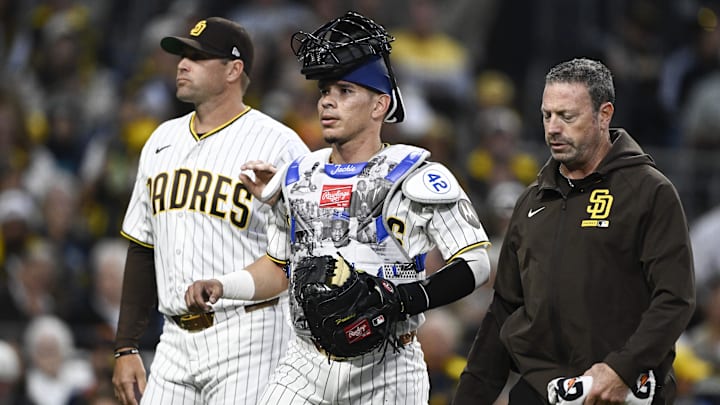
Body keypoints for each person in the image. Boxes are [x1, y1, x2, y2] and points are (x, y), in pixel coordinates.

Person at [185, 11, 492, 404]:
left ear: (380, 105)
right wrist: (222, 286)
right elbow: (279, 268)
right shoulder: (298, 175)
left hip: (386, 366)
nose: (328, 101)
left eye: (345, 91)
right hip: (305, 362)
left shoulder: (413, 174)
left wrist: (402, 299)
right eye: (325, 91)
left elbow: (477, 264)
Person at [453, 58, 695, 404]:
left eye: (567, 116)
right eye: (547, 115)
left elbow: (675, 299)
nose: (552, 128)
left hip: (621, 393)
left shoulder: (649, 192)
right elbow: (504, 309)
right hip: (541, 391)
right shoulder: (531, 201)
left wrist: (621, 369)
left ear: (604, 115)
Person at [111, 17, 309, 405]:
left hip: (251, 332)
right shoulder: (161, 140)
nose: (183, 64)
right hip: (173, 338)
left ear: (234, 70)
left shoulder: (279, 144)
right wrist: (126, 346)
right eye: (182, 55)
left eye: (198, 57)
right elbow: (142, 247)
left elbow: (305, 249)